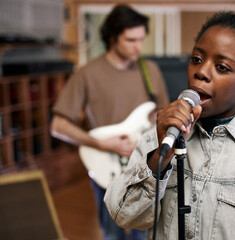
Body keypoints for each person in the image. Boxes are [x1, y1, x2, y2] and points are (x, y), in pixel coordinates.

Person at [104, 11, 235, 239]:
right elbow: (123, 215)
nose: (201, 72)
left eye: (222, 67)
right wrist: (160, 159)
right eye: (197, 59)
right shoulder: (163, 135)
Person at [50, 5, 169, 240]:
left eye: (141, 39)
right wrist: (103, 144)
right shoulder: (86, 74)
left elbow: (162, 114)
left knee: (142, 231)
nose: (138, 47)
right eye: (131, 40)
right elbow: (58, 126)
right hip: (108, 165)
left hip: (142, 167)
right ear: (113, 37)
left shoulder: (150, 69)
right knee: (112, 233)